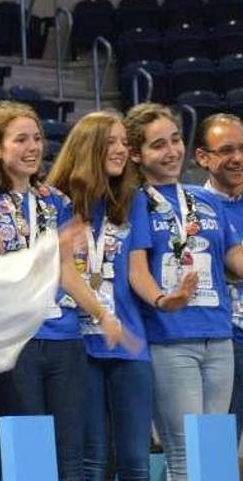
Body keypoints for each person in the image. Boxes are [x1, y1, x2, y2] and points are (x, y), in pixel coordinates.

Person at [0, 101, 124, 480]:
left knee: (70, 452)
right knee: (28, 449)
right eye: (20, 139)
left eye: (37, 138)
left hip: (64, 339)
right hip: (15, 341)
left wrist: (102, 313)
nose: (32, 147)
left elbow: (65, 271)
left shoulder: (55, 201)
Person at [47, 111, 194, 481]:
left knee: (135, 460)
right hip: (78, 341)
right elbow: (60, 271)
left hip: (129, 343)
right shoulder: (56, 201)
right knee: (92, 460)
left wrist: (163, 299)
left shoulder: (132, 200)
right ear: (87, 147)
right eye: (110, 142)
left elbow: (136, 271)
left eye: (123, 144)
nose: (120, 150)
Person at [126, 103, 243, 480]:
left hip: (220, 338)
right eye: (158, 145)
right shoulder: (135, 201)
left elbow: (233, 253)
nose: (172, 151)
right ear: (136, 154)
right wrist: (163, 300)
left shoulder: (205, 199)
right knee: (186, 457)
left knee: (215, 454)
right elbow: (137, 269)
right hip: (170, 338)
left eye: (175, 140)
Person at [194, 113, 243, 445]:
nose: (237, 158)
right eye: (226, 150)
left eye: (242, 148)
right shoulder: (193, 208)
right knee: (217, 445)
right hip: (225, 341)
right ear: (202, 157)